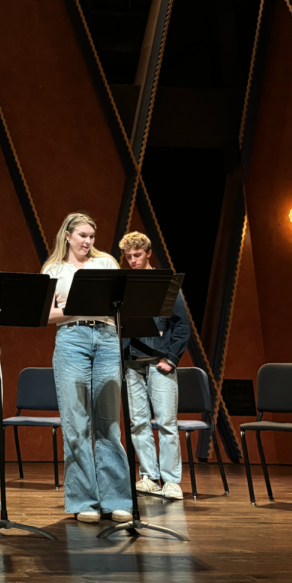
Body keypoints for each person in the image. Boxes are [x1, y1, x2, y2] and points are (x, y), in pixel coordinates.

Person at [43, 211, 132, 524]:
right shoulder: (54, 268)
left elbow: (123, 303)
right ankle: (85, 501)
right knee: (76, 421)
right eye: (82, 236)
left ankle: (117, 499)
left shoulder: (106, 262)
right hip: (72, 339)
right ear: (67, 235)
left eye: (92, 237)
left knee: (108, 422)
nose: (88, 242)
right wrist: (76, 306)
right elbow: (46, 316)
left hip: (107, 339)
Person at [118, 231, 191, 501]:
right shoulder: (125, 285)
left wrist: (171, 358)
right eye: (128, 257)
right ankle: (149, 476)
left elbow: (181, 327)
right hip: (131, 362)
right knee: (138, 423)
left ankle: (171, 481)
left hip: (159, 362)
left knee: (166, 423)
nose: (133, 261)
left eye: (137, 255)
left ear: (148, 253)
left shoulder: (166, 284)